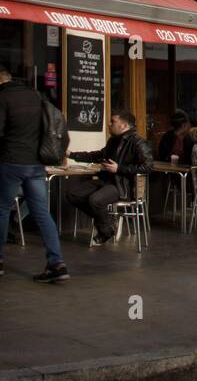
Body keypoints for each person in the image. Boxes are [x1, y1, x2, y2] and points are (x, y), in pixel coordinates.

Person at [0, 66, 69, 282]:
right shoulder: (36, 96)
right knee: (41, 212)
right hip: (37, 165)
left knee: (1, 209)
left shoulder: (2, 97)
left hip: (11, 162)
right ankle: (57, 263)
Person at [67, 110, 153, 246]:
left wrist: (119, 169)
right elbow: (98, 155)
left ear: (124, 126)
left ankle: (105, 231)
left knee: (95, 200)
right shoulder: (114, 140)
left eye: (113, 122)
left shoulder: (138, 142)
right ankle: (107, 223)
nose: (109, 124)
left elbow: (148, 167)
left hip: (123, 185)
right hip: (106, 181)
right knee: (72, 194)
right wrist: (70, 154)